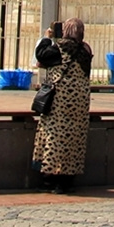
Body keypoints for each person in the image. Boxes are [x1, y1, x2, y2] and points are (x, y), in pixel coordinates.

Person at [32, 17, 93, 191]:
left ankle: (52, 177)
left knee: (56, 136)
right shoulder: (86, 49)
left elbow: (41, 54)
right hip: (80, 99)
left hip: (60, 99)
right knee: (75, 138)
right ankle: (67, 179)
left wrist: (46, 37)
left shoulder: (59, 48)